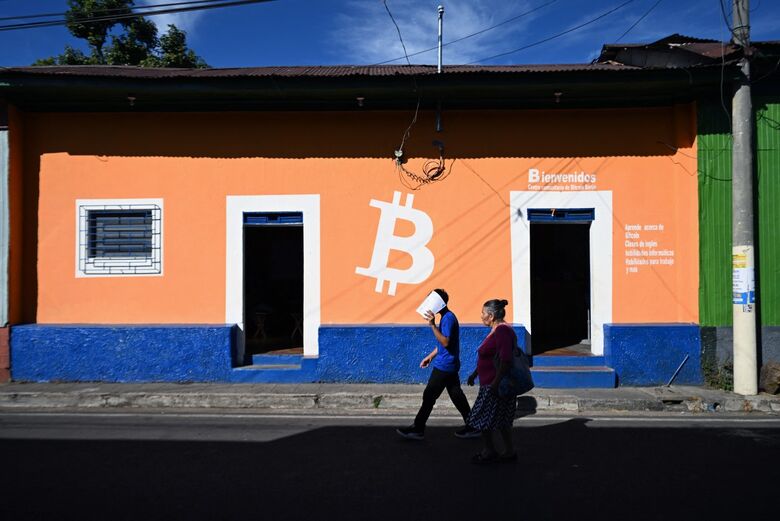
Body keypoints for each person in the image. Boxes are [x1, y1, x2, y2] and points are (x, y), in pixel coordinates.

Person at [397, 289, 480, 440]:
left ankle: (418, 428)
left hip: (445, 366)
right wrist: (430, 356)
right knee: (456, 395)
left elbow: (446, 342)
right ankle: (473, 425)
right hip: (449, 363)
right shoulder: (447, 317)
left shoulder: (448, 319)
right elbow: (443, 343)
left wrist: (432, 325)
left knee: (429, 395)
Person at [465, 298, 518, 463]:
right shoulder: (496, 330)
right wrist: (475, 374)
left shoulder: (502, 331)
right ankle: (509, 451)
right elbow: (489, 356)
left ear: (492, 316)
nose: (481, 316)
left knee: (482, 418)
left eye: (483, 313)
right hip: (490, 382)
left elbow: (505, 360)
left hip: (494, 385)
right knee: (501, 420)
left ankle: (489, 450)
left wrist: (495, 383)